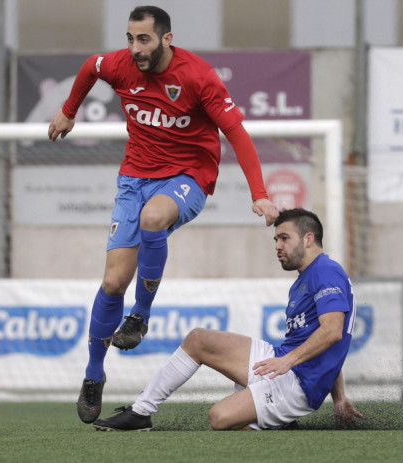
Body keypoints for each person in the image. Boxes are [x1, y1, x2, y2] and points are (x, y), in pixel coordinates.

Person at [47, 6, 278, 424]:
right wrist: (69, 110)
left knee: (155, 218)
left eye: (144, 40)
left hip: (189, 176)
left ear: (166, 39)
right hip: (133, 179)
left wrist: (259, 194)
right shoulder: (119, 64)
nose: (135, 49)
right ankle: (94, 374)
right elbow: (89, 67)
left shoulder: (198, 76)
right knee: (113, 281)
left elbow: (237, 134)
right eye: (130, 38)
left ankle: (141, 317)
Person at [92, 208, 363, 431]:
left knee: (220, 419)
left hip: (299, 384)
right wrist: (339, 398)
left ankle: (279, 421)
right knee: (199, 339)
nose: (278, 246)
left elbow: (332, 332)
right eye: (275, 240)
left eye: (284, 238)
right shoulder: (307, 278)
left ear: (308, 239)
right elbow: (325, 341)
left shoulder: (326, 272)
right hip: (284, 361)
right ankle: (141, 413)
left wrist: (288, 362)